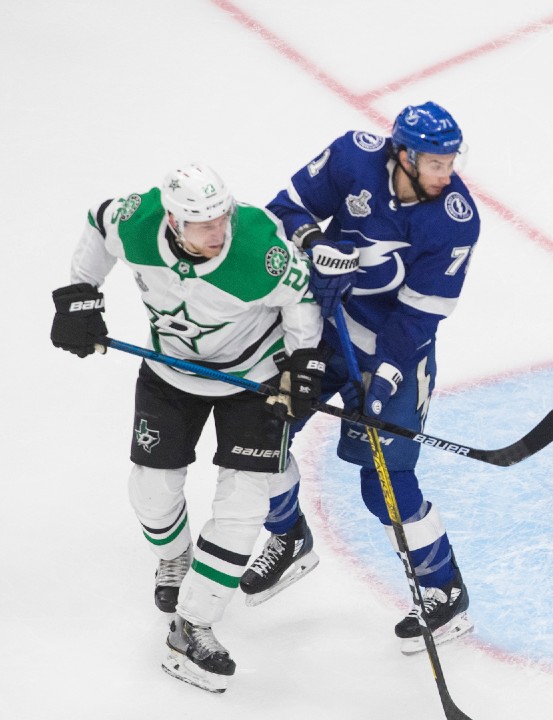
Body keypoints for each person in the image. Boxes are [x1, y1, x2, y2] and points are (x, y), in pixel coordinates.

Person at [50, 163, 326, 692]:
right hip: (168, 371)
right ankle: (176, 559)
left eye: (221, 218)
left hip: (253, 378)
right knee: (151, 492)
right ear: (173, 222)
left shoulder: (259, 248)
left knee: (243, 509)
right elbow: (97, 221)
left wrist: (304, 363)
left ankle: (192, 627)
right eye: (202, 224)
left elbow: (301, 299)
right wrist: (79, 296)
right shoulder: (138, 220)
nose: (217, 231)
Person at [241, 101, 481, 653]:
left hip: (397, 353)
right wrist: (314, 243)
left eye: (451, 161)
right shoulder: (353, 156)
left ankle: (444, 594)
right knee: (260, 433)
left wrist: (387, 378)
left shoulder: (455, 219)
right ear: (403, 153)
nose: (447, 174)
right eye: (436, 162)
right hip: (320, 332)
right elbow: (283, 210)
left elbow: (421, 314)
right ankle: (289, 535)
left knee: (386, 485)